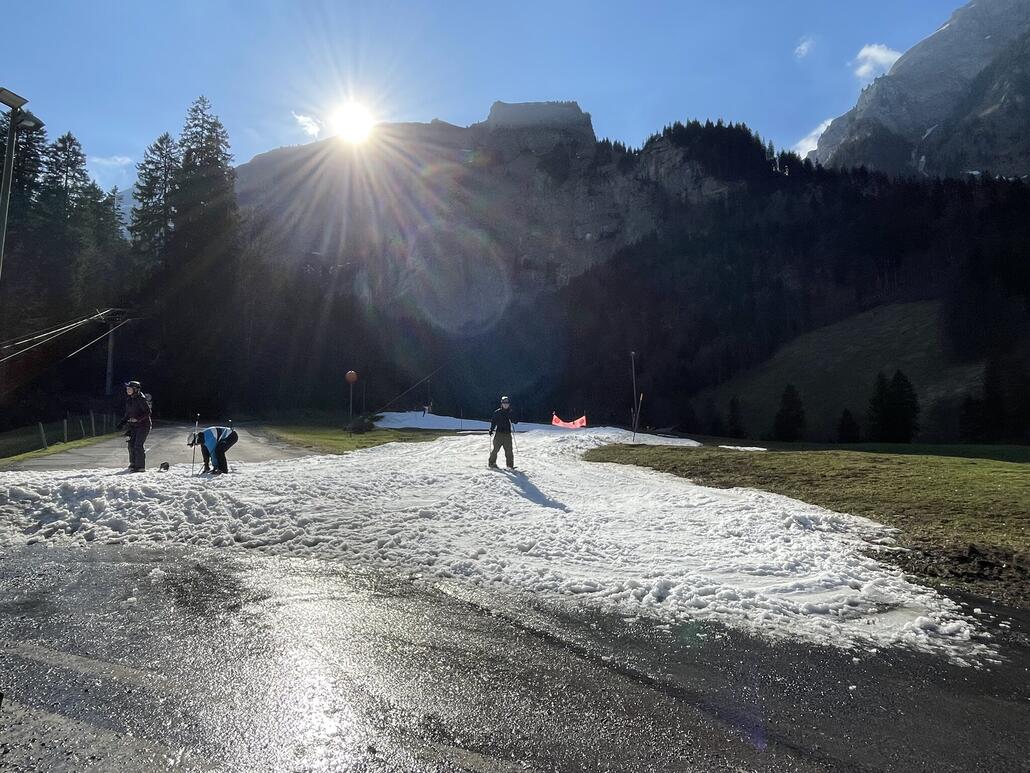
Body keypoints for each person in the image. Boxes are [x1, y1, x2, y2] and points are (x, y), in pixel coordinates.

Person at [119, 380, 152, 472]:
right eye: (127, 388)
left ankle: (140, 466)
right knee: (131, 444)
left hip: (143, 426)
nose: (127, 390)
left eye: (129, 388)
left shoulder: (141, 399)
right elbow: (128, 413)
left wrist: (138, 419)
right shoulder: (129, 399)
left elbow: (148, 412)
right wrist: (122, 422)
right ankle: (133, 464)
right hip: (133, 426)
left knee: (138, 445)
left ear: (135, 389)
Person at [488, 395, 517, 469]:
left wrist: (513, 416)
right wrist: (491, 429)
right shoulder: (497, 412)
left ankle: (510, 466)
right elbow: (493, 422)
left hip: (507, 434)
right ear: (501, 403)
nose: (505, 404)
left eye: (507, 403)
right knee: (495, 449)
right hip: (499, 434)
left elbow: (515, 421)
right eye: (504, 403)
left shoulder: (511, 412)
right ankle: (492, 463)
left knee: (509, 451)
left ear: (509, 404)